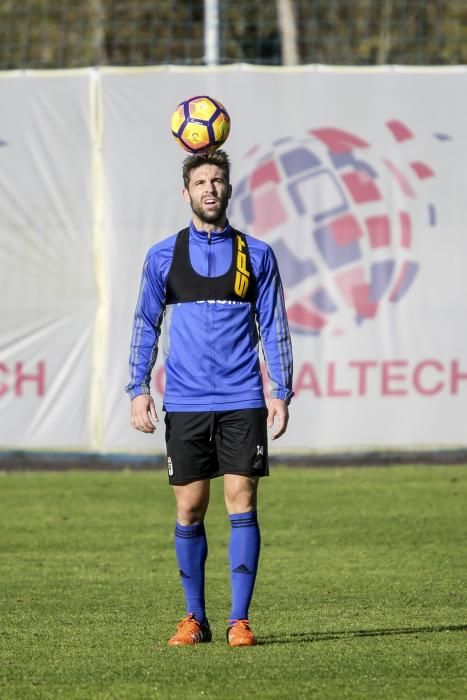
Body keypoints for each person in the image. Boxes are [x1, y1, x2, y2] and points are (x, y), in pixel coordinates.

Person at [126, 149, 293, 647]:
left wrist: (279, 390)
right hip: (185, 401)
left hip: (243, 398)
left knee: (242, 502)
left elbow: (275, 326)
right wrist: (137, 388)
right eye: (201, 182)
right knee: (190, 509)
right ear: (186, 193)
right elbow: (144, 325)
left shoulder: (256, 254)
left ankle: (239, 621)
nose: (211, 189)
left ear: (229, 189)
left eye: (218, 180)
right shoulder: (162, 256)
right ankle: (193, 618)